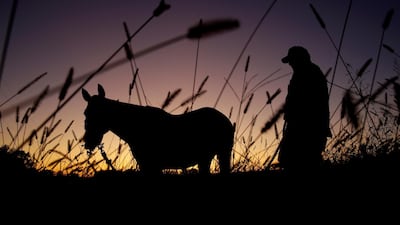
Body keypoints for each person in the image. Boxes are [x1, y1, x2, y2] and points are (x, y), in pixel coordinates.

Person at [278, 46, 331, 174]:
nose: (290, 63)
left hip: (307, 128)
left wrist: (293, 116)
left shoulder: (310, 73)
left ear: (300, 59)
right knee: (290, 160)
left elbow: (311, 104)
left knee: (302, 163)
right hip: (298, 126)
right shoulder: (302, 73)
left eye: (291, 60)